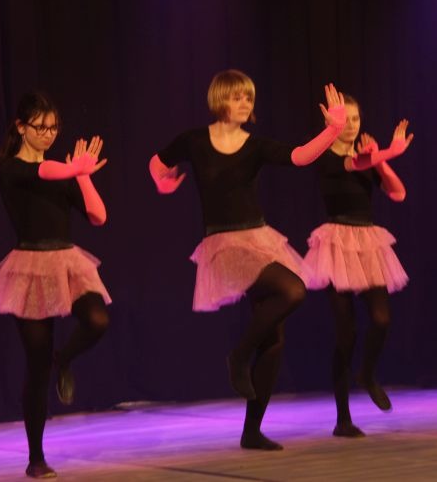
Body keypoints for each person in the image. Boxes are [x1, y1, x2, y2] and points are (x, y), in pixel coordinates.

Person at [149, 69, 346, 450]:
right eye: (237, 96)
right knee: (292, 290)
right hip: (224, 244)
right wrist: (163, 181)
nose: (245, 103)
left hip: (259, 238)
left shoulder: (255, 146)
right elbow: (157, 163)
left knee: (274, 340)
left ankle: (252, 430)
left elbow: (299, 156)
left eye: (249, 98)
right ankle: (238, 356)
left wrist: (333, 130)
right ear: (219, 99)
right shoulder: (194, 141)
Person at [0, 91, 112, 479]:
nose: (48, 134)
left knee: (97, 321)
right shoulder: (11, 169)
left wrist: (83, 175)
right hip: (29, 267)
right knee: (36, 364)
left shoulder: (62, 172)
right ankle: (36, 457)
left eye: (54, 127)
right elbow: (43, 172)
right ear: (21, 127)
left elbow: (98, 216)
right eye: (40, 127)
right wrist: (72, 169)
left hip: (67, 262)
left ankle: (64, 359)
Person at [303, 94, 412, 438]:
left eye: (355, 119)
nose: (351, 125)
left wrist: (381, 161)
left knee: (381, 318)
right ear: (332, 123)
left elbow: (398, 193)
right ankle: (343, 418)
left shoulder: (366, 158)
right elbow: (352, 165)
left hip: (367, 242)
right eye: (345, 119)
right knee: (346, 334)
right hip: (337, 244)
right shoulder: (325, 156)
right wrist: (388, 151)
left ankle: (366, 373)